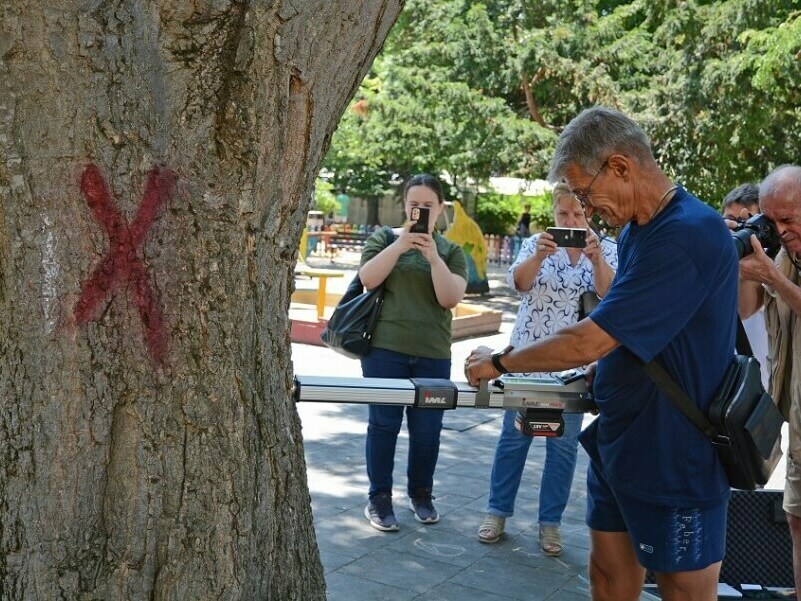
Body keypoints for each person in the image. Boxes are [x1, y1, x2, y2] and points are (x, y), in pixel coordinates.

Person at [464, 106, 738, 601]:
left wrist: (501, 363)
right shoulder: (635, 231)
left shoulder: (692, 232)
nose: (586, 211)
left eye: (587, 195)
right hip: (621, 437)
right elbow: (638, 332)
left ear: (620, 166)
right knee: (607, 577)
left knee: (684, 591)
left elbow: (591, 336)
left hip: (677, 451)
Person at [477, 183, 617, 557]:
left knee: (563, 448)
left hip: (572, 367)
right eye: (562, 215)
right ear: (553, 214)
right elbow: (520, 284)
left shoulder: (607, 250)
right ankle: (496, 513)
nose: (569, 221)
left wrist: (597, 259)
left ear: (589, 214)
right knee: (513, 440)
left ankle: (549, 524)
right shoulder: (536, 244)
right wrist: (538, 256)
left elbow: (611, 298)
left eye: (576, 215)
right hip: (527, 360)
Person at [358, 173, 468, 532]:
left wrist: (434, 258)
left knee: (427, 430)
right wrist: (400, 246)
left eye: (427, 205)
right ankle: (379, 498)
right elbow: (368, 278)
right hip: (384, 351)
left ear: (440, 209)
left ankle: (421, 494)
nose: (419, 210)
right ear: (405, 205)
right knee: (383, 425)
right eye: (413, 204)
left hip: (432, 353)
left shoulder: (451, 251)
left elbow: (449, 298)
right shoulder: (384, 238)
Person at [737, 165, 801, 593]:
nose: (780, 231)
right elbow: (747, 312)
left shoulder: (781, 267)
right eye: (771, 221)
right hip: (797, 418)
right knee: (796, 520)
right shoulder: (783, 255)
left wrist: (774, 277)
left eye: (789, 220)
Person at [720, 183, 770, 388]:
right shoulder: (714, 262)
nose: (738, 230)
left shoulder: (774, 266)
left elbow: (746, 309)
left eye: (746, 223)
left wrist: (747, 250)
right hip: (727, 395)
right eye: (731, 221)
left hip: (765, 395)